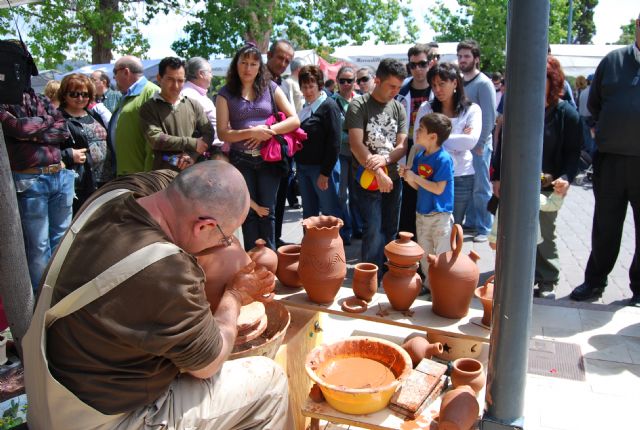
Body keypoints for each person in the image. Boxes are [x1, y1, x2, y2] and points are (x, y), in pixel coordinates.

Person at [22, 161, 290, 429]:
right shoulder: (166, 270)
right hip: (101, 420)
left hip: (50, 396)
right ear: (204, 226)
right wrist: (234, 294)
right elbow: (208, 362)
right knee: (269, 382)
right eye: (225, 237)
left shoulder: (116, 193)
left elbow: (177, 178)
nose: (225, 244)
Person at [496, 56, 581, 298]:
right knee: (514, 230)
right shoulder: (517, 108)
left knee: (544, 232)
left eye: (540, 78)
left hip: (548, 188)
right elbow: (503, 145)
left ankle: (547, 279)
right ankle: (520, 275)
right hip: (516, 184)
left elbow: (573, 153)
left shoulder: (567, 113)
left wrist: (566, 177)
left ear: (552, 81)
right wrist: (497, 177)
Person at [571, 14, 640, 306]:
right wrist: (602, 130)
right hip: (610, 161)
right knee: (605, 226)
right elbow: (594, 103)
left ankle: (639, 289)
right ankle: (594, 281)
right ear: (637, 26)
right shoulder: (613, 61)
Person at [0, 46, 74, 291]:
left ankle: (58, 295)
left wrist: (33, 129)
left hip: (58, 176)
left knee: (61, 242)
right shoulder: (3, 99)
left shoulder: (39, 98)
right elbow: (16, 129)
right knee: (38, 247)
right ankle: (42, 302)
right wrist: (46, 124)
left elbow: (63, 130)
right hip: (29, 180)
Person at [216, 43, 300, 251]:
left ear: (259, 67)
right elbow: (222, 133)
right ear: (235, 65)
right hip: (241, 160)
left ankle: (269, 262)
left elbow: (294, 120)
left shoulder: (270, 87)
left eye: (253, 63)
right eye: (243, 62)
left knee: (268, 212)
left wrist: (267, 129)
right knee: (248, 212)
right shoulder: (225, 94)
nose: (248, 68)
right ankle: (252, 262)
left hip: (268, 159)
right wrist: (251, 133)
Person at [345, 58, 408, 274]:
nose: (395, 91)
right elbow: (356, 144)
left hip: (394, 179)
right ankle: (369, 278)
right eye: (391, 86)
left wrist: (386, 160)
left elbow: (402, 145)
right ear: (377, 80)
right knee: (373, 230)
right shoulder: (359, 105)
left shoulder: (399, 108)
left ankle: (388, 277)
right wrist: (379, 171)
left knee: (390, 229)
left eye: (399, 87)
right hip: (367, 179)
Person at [415, 62, 482, 228]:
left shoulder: (472, 110)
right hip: (430, 174)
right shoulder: (427, 108)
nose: (437, 89)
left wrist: (434, 137)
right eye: (434, 85)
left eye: (442, 84)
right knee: (429, 227)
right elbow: (419, 140)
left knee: (453, 228)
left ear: (455, 83)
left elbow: (470, 141)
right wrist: (458, 138)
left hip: (461, 176)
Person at [399, 113, 453, 293]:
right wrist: (408, 177)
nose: (417, 132)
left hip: (440, 215)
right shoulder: (421, 155)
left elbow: (438, 188)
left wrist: (416, 178)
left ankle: (442, 289)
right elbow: (417, 186)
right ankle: (431, 287)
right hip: (422, 213)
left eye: (420, 129)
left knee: (441, 255)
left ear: (433, 136)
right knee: (424, 254)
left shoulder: (443, 159)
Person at [139, 56, 213, 171]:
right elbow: (157, 139)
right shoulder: (148, 108)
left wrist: (191, 156)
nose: (176, 86)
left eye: (180, 80)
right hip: (161, 175)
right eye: (170, 79)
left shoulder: (193, 105)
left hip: (190, 174)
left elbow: (209, 133)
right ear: (159, 78)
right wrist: (192, 143)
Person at [397, 43, 440, 237]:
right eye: (412, 65)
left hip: (432, 152)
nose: (417, 69)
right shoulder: (401, 91)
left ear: (430, 63)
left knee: (429, 200)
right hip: (408, 151)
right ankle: (405, 249)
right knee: (407, 202)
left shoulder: (437, 90)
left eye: (422, 64)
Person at [58, 73, 115, 214]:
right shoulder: (57, 119)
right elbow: (49, 151)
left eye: (85, 94)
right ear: (64, 95)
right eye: (74, 94)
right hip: (80, 184)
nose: (80, 98)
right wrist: (68, 156)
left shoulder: (93, 114)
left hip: (103, 180)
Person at [457, 40, 496, 243]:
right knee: (469, 185)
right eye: (460, 56)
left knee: (482, 188)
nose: (462, 60)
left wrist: (480, 143)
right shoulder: (461, 82)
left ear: (476, 59)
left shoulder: (484, 83)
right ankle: (472, 222)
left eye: (467, 56)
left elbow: (490, 116)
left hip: (479, 145)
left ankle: (485, 226)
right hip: (464, 144)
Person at [295, 65, 343, 224]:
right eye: (304, 86)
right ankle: (310, 247)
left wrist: (325, 173)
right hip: (303, 167)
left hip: (322, 169)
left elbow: (335, 142)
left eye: (311, 86)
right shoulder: (305, 108)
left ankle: (333, 247)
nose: (308, 90)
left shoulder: (329, 106)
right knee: (309, 214)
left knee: (330, 213)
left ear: (319, 86)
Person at [266, 40, 301, 247]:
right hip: (263, 150)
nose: (283, 63)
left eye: (287, 60)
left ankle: (275, 238)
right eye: (280, 57)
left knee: (279, 199)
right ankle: (267, 243)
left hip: (281, 150)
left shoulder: (282, 82)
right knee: (266, 204)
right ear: (269, 54)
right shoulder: (258, 79)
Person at [110, 55, 159, 176]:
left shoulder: (152, 93)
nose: (114, 78)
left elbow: (155, 141)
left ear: (125, 72)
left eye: (115, 73)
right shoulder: (126, 95)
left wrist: (147, 177)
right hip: (126, 173)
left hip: (139, 177)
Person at [333, 65, 361, 244]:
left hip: (358, 155)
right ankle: (345, 230)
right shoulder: (332, 102)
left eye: (349, 80)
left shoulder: (360, 101)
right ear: (337, 81)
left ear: (355, 82)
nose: (345, 84)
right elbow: (334, 132)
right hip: (341, 154)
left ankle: (358, 227)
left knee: (358, 193)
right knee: (342, 195)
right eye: (342, 80)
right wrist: (354, 138)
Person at [181, 56, 222, 146]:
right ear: (201, 74)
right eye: (210, 72)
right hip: (206, 153)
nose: (212, 75)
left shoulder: (195, 94)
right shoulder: (188, 95)